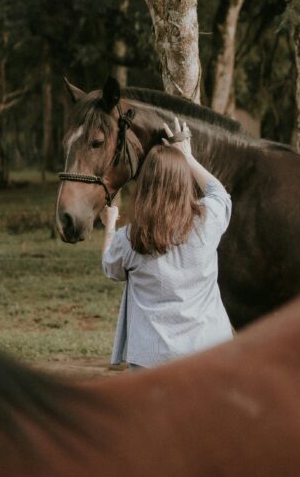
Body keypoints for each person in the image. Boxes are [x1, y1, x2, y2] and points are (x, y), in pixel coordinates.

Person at [100, 118, 233, 369]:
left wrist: (110, 223)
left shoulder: (129, 238)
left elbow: (110, 268)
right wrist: (188, 157)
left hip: (151, 360)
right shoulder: (208, 221)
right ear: (183, 183)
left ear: (145, 186)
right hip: (211, 352)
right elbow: (220, 194)